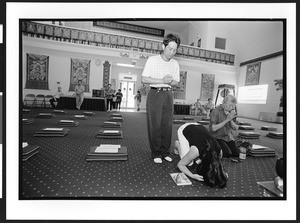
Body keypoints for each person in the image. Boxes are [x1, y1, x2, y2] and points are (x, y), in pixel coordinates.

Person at [141, 33, 181, 164]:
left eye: (175, 50)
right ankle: (156, 153)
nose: (172, 52)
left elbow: (177, 82)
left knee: (167, 125)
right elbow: (144, 79)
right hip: (155, 94)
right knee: (155, 125)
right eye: (170, 49)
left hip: (168, 95)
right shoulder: (152, 60)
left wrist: (169, 82)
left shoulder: (175, 63)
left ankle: (165, 152)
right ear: (163, 46)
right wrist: (162, 80)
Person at [175, 122, 227, 188]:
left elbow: (218, 165)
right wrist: (192, 176)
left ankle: (188, 146)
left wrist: (221, 173)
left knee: (194, 159)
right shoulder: (195, 151)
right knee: (189, 163)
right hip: (185, 128)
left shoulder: (219, 152)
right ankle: (177, 144)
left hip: (199, 127)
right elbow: (180, 164)